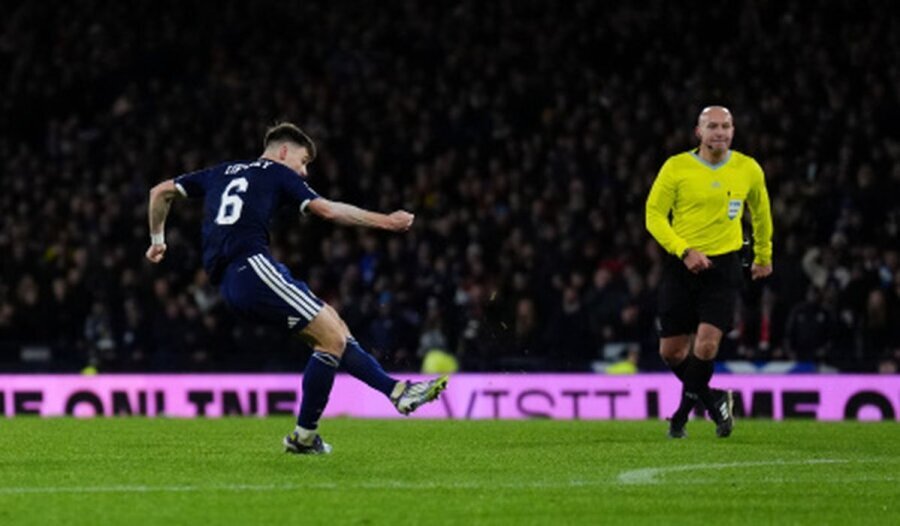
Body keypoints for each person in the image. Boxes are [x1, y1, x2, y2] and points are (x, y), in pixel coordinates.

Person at [145, 122, 448, 454]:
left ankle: (308, 435)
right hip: (253, 267)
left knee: (333, 330)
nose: (303, 172)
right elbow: (328, 211)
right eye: (303, 162)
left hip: (233, 280)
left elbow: (159, 191)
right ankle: (395, 393)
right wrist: (386, 221)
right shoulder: (277, 172)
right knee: (332, 336)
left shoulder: (219, 172)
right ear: (284, 151)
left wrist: (158, 241)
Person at [645, 106, 773, 438]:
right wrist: (684, 251)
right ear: (698, 132)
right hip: (681, 265)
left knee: (705, 346)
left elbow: (760, 214)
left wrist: (763, 255)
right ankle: (715, 400)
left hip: (723, 268)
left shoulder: (747, 169)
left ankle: (680, 417)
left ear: (733, 130)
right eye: (712, 126)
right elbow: (654, 215)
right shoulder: (676, 167)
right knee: (671, 352)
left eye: (726, 126)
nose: (720, 132)